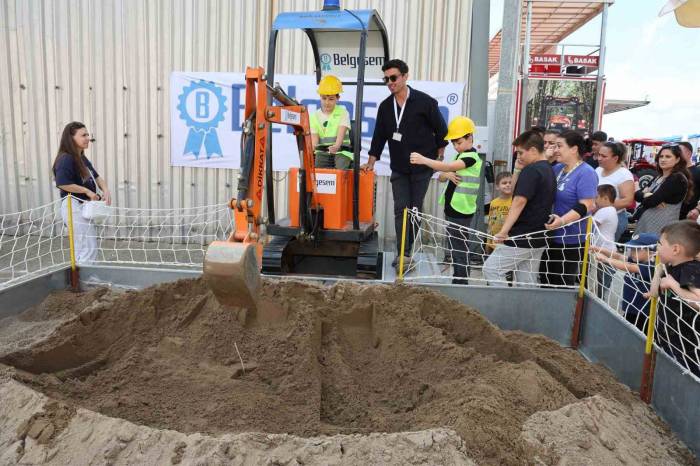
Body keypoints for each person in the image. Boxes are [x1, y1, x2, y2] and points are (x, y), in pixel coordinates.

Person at [362, 59, 448, 267]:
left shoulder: (425, 102)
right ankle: (402, 253)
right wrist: (371, 161)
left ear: (405, 76)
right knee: (401, 209)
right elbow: (378, 137)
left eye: (393, 77)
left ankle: (408, 251)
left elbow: (442, 130)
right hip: (399, 168)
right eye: (386, 79)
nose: (389, 82)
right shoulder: (385, 107)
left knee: (414, 210)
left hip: (422, 168)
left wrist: (438, 154)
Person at [409, 116, 481, 284]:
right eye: (454, 143)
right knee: (455, 245)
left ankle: (461, 280)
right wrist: (446, 174)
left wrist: (424, 160)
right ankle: (459, 277)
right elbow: (443, 176)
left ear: (470, 137)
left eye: (459, 142)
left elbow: (448, 167)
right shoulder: (460, 156)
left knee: (459, 246)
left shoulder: (471, 158)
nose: (456, 146)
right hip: (453, 208)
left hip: (461, 210)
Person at [483, 130, 555, 286]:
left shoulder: (532, 170)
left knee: (491, 269)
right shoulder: (548, 169)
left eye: (521, 153)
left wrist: (503, 232)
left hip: (522, 236)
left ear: (534, 150)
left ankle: (505, 307)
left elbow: (518, 201)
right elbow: (518, 192)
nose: (519, 156)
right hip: (539, 236)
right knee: (527, 281)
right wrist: (517, 169)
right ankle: (525, 309)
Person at [541, 130, 598, 287]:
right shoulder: (557, 168)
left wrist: (562, 221)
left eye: (559, 146)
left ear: (574, 149)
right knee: (546, 281)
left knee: (561, 284)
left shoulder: (586, 172)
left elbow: (587, 204)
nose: (555, 150)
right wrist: (545, 158)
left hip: (571, 239)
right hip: (551, 235)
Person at [53, 122, 111, 263]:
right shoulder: (66, 159)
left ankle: (82, 280)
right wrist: (87, 191)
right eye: (83, 135)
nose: (87, 138)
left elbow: (96, 176)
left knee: (83, 245)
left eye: (88, 135)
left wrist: (106, 191)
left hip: (83, 206)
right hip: (74, 206)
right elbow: (63, 183)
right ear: (71, 138)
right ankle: (88, 281)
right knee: (88, 245)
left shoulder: (81, 158)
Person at [655, 220, 700, 376]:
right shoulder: (671, 267)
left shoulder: (691, 269)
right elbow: (655, 290)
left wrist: (674, 285)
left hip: (687, 343)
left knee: (687, 375)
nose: (657, 248)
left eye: (660, 244)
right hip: (668, 333)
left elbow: (698, 300)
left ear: (675, 249)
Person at [593, 233, 658, 333]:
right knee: (628, 331)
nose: (632, 252)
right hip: (631, 307)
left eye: (636, 250)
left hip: (644, 312)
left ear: (651, 251)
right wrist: (600, 250)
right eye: (632, 249)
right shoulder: (637, 259)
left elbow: (629, 267)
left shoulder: (652, 265)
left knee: (640, 335)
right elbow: (619, 256)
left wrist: (606, 259)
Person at [634, 144, 693, 235]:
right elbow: (636, 195)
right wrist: (646, 195)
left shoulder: (676, 178)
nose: (663, 159)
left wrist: (648, 195)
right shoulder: (659, 177)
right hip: (646, 224)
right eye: (661, 156)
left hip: (661, 227)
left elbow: (651, 202)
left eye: (668, 156)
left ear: (677, 159)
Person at [309, 75, 353, 169]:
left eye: (331, 99)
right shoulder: (314, 117)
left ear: (338, 98)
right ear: (320, 97)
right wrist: (312, 148)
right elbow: (314, 141)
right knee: (317, 169)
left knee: (340, 167)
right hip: (323, 152)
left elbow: (340, 136)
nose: (327, 102)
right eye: (324, 98)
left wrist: (336, 146)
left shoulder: (343, 113)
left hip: (341, 151)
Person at [596, 141, 635, 240]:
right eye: (599, 155)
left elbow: (628, 200)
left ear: (615, 158)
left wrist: (601, 207)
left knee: (603, 250)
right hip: (597, 216)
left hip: (613, 220)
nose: (599, 158)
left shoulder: (624, 175)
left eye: (604, 156)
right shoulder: (598, 170)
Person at [592, 184, 618, 298]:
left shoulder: (605, 211)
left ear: (605, 198)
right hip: (608, 249)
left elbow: (590, 226)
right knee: (603, 284)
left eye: (596, 197)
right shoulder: (612, 210)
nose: (595, 200)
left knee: (600, 284)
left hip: (604, 251)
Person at [486, 172, 513, 253]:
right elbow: (491, 222)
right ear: (497, 186)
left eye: (510, 183)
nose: (508, 185)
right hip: (494, 242)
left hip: (509, 242)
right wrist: (488, 242)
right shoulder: (493, 203)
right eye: (504, 183)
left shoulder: (515, 202)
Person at [679, 141, 700, 220]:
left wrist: (697, 210)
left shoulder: (698, 172)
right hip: (670, 214)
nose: (676, 154)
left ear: (689, 153)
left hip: (687, 217)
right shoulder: (674, 171)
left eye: (679, 152)